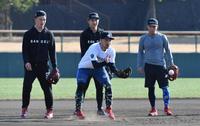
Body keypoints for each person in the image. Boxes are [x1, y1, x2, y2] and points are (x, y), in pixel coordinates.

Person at [21, 10, 57, 119]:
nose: (42, 21)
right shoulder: (28, 34)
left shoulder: (49, 34)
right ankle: (24, 109)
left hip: (43, 67)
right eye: (40, 19)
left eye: (44, 19)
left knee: (47, 89)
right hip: (31, 67)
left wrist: (55, 67)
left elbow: (52, 52)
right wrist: (26, 61)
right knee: (26, 87)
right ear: (35, 19)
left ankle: (49, 110)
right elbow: (24, 50)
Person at [75, 31, 119, 120]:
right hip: (84, 68)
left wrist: (120, 73)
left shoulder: (111, 50)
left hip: (98, 69)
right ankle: (78, 110)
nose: (108, 42)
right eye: (106, 40)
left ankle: (108, 109)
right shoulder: (94, 47)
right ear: (100, 40)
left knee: (108, 85)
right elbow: (94, 64)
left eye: (110, 40)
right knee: (81, 85)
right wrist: (105, 62)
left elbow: (112, 66)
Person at [137, 18, 174, 116]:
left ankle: (167, 108)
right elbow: (140, 52)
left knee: (165, 87)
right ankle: (153, 109)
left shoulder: (162, 37)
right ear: (147, 27)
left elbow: (168, 51)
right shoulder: (143, 38)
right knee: (150, 88)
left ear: (157, 27)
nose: (153, 28)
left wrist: (171, 64)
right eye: (151, 26)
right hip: (148, 66)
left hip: (161, 66)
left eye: (155, 26)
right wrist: (140, 65)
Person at [80, 12, 106, 115]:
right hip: (87, 66)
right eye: (92, 20)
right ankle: (79, 108)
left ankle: (100, 108)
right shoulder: (84, 34)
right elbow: (84, 52)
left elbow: (105, 50)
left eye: (96, 20)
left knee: (99, 88)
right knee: (83, 87)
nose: (94, 22)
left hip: (98, 66)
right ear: (88, 21)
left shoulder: (102, 33)